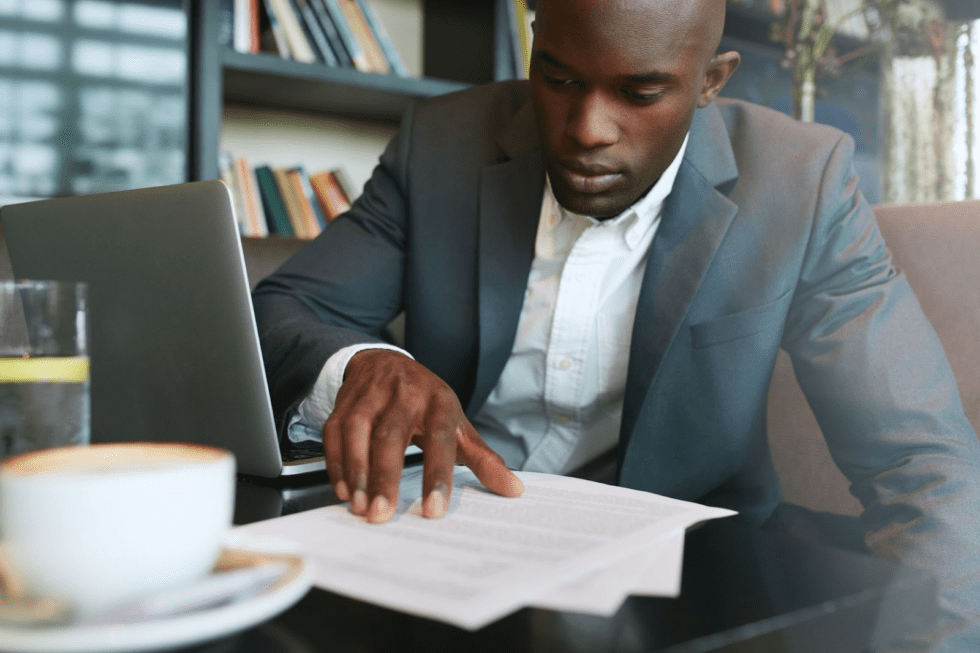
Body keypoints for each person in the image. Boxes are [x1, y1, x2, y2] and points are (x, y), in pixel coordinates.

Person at [253, 0, 980, 647]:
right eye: (560, 79)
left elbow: (921, 463)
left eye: (639, 92)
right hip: (438, 550)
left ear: (711, 80)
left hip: (684, 590)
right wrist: (362, 362)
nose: (586, 130)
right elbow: (287, 308)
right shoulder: (442, 140)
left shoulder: (802, 183)